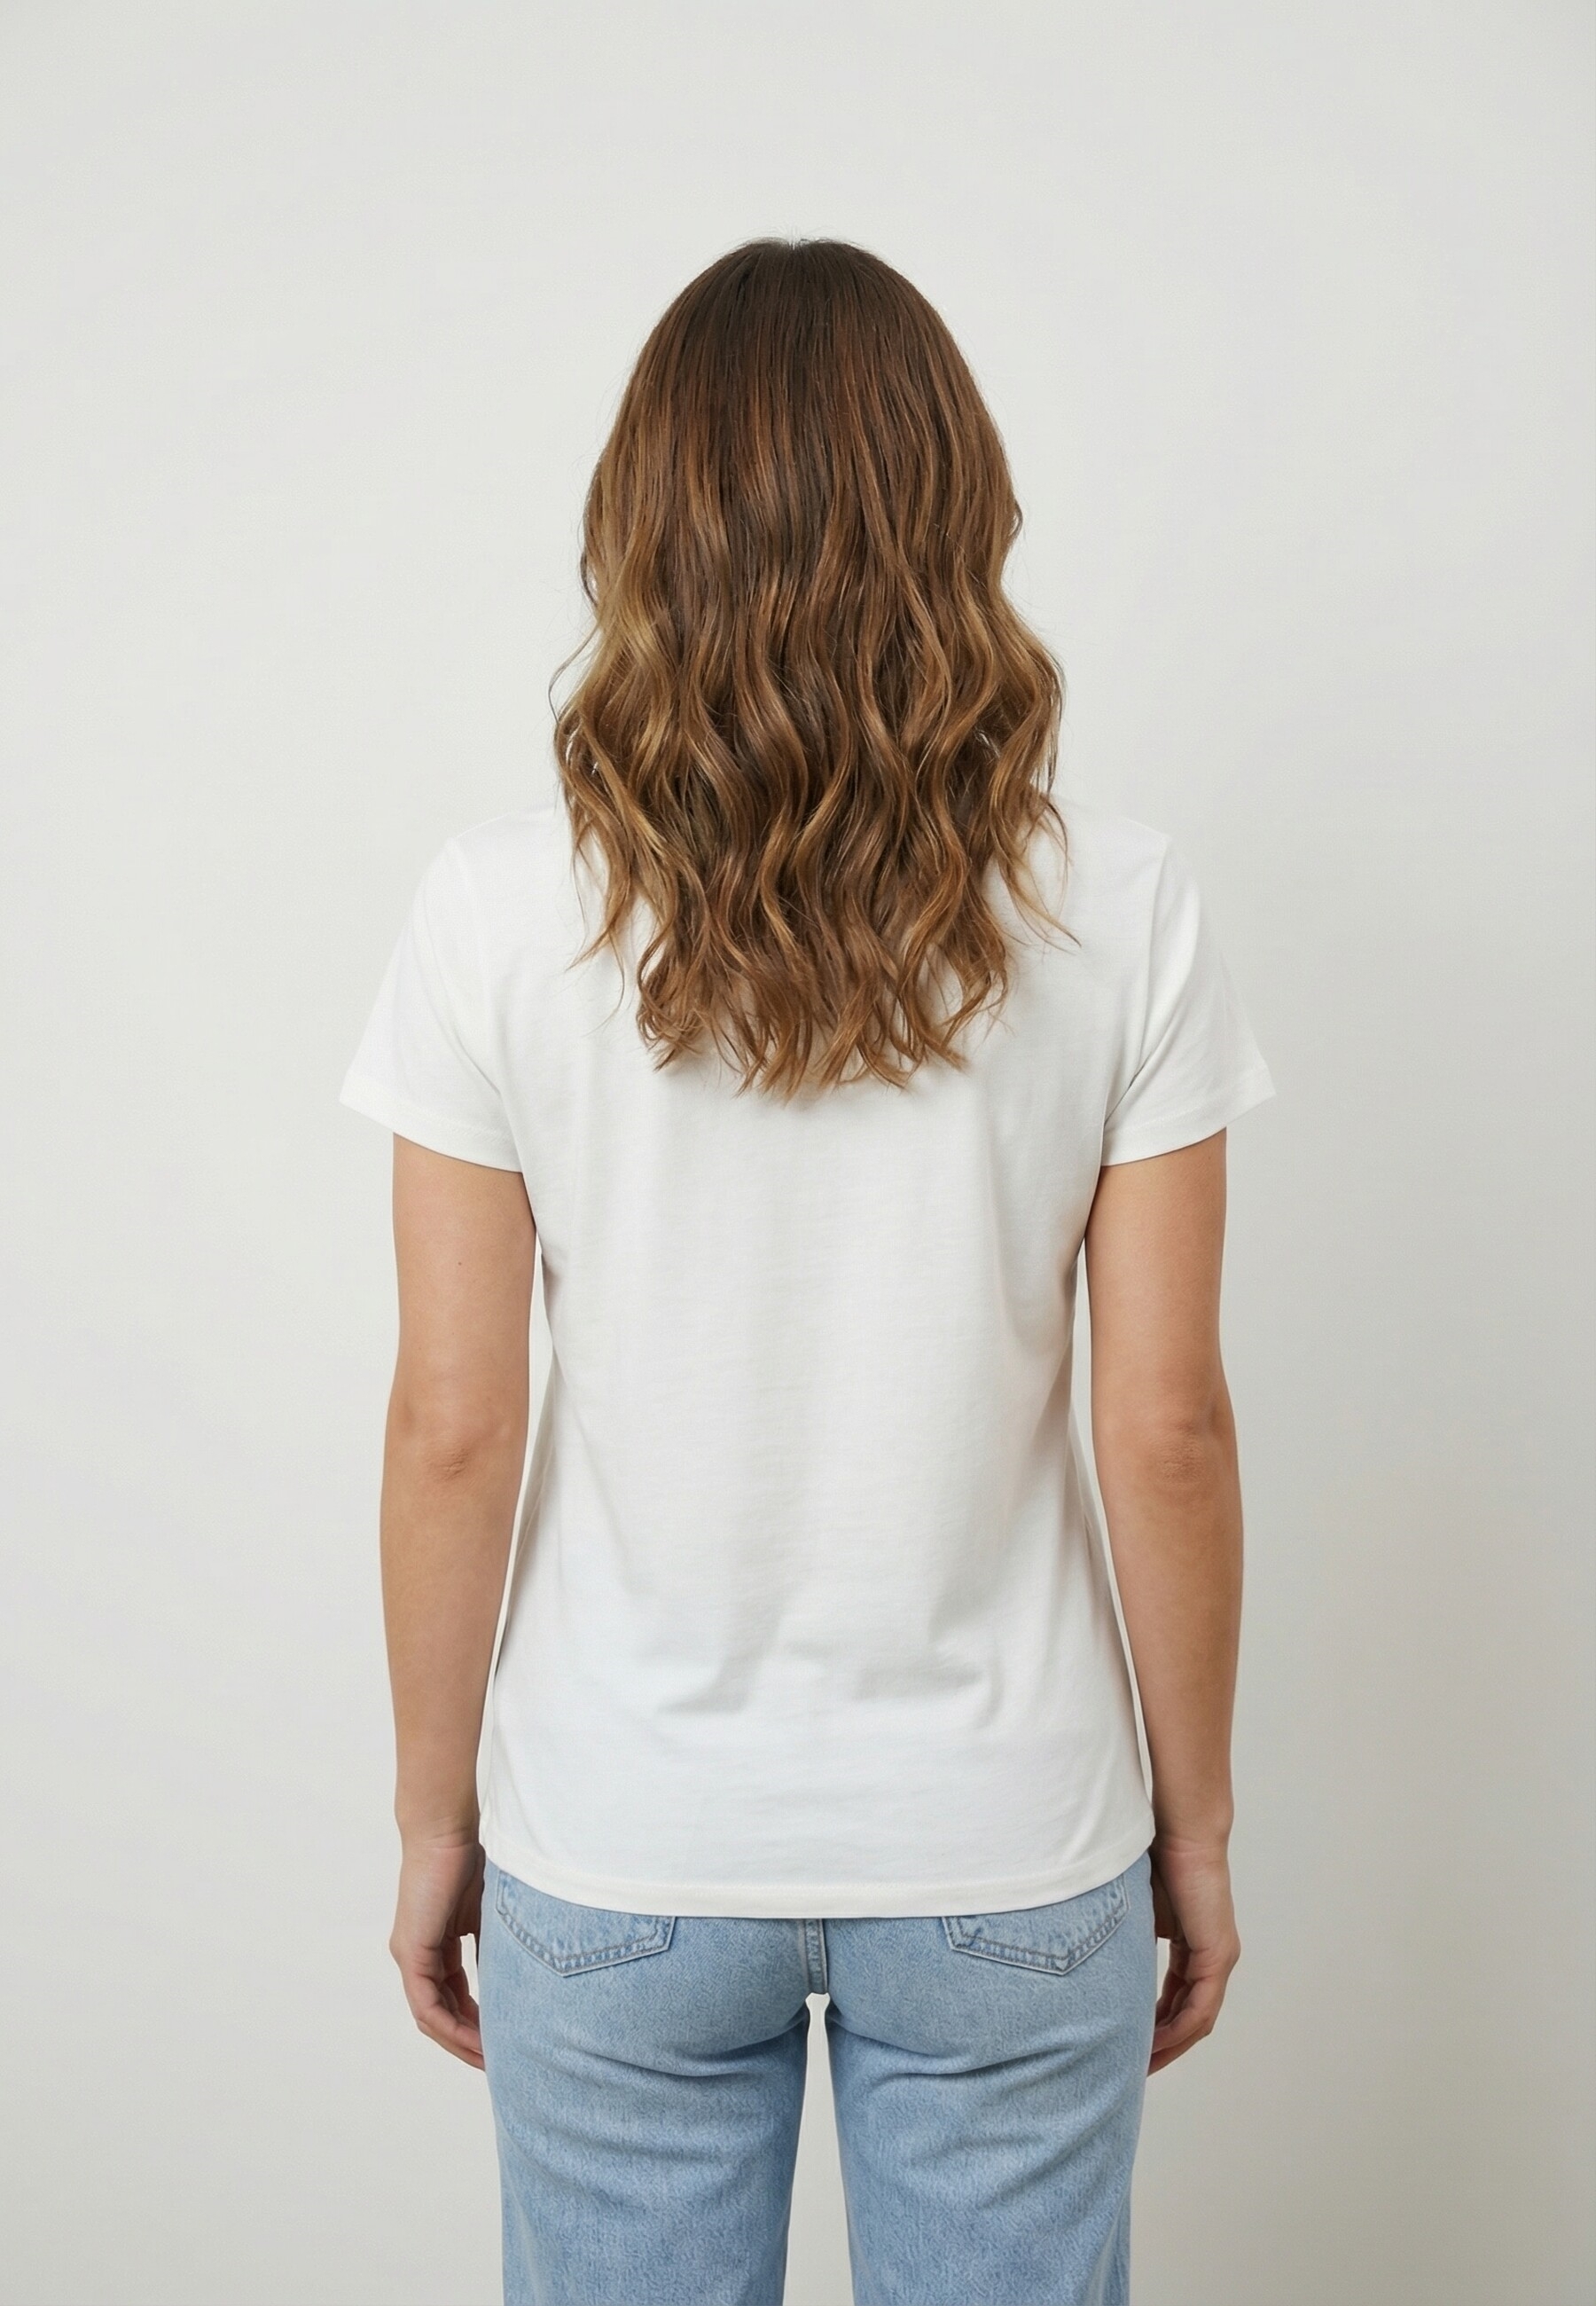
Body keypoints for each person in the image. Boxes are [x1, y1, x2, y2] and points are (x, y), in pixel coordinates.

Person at [340, 238, 1275, 2306]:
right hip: (1008, 1843)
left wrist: (431, 1822)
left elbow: (451, 1423)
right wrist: (1196, 1829)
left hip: (624, 1838)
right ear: (960, 513)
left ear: (645, 525)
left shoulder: (496, 913)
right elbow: (1170, 1427)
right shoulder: (1123, 908)